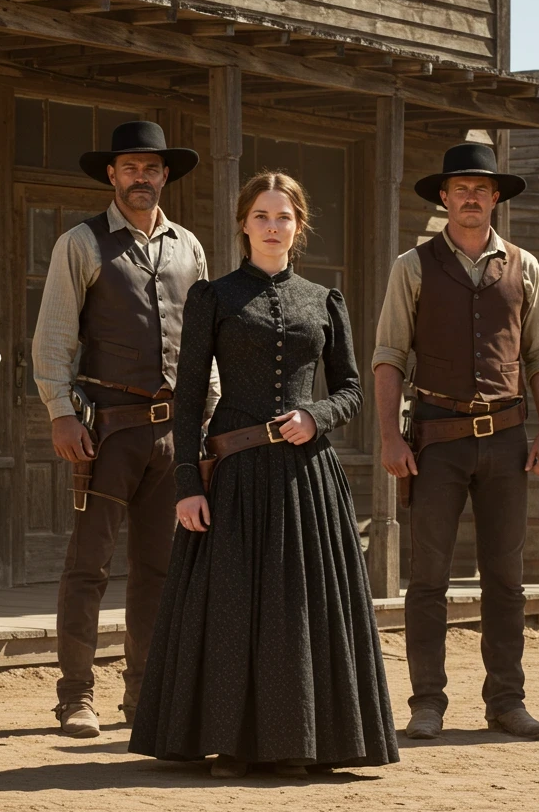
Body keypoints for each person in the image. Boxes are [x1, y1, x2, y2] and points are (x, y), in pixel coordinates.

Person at [130, 172, 399, 778]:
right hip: (235, 476)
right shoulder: (213, 297)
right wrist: (187, 485)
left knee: (300, 609)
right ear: (244, 224)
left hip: (307, 477)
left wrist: (316, 416)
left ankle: (301, 743)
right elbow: (188, 396)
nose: (272, 227)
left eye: (283, 217)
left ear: (298, 226)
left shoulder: (324, 300)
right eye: (261, 216)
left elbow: (352, 389)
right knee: (233, 610)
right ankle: (232, 743)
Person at [374, 142, 539, 741]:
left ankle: (507, 702)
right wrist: (390, 437)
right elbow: (388, 355)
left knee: (506, 578)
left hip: (507, 439)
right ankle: (427, 703)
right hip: (436, 438)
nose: (471, 197)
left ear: (496, 197)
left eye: (482, 188)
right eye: (461, 188)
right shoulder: (412, 266)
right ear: (444, 197)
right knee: (428, 577)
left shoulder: (525, 267)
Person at [33, 121, 216, 737]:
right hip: (106, 433)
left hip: (174, 435)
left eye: (152, 168)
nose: (142, 178)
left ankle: (144, 698)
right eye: (130, 168)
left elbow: (203, 345)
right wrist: (60, 412)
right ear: (111, 175)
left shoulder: (189, 248)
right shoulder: (81, 243)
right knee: (88, 566)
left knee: (159, 570)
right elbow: (54, 336)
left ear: (166, 176)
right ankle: (75, 697)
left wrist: (209, 418)